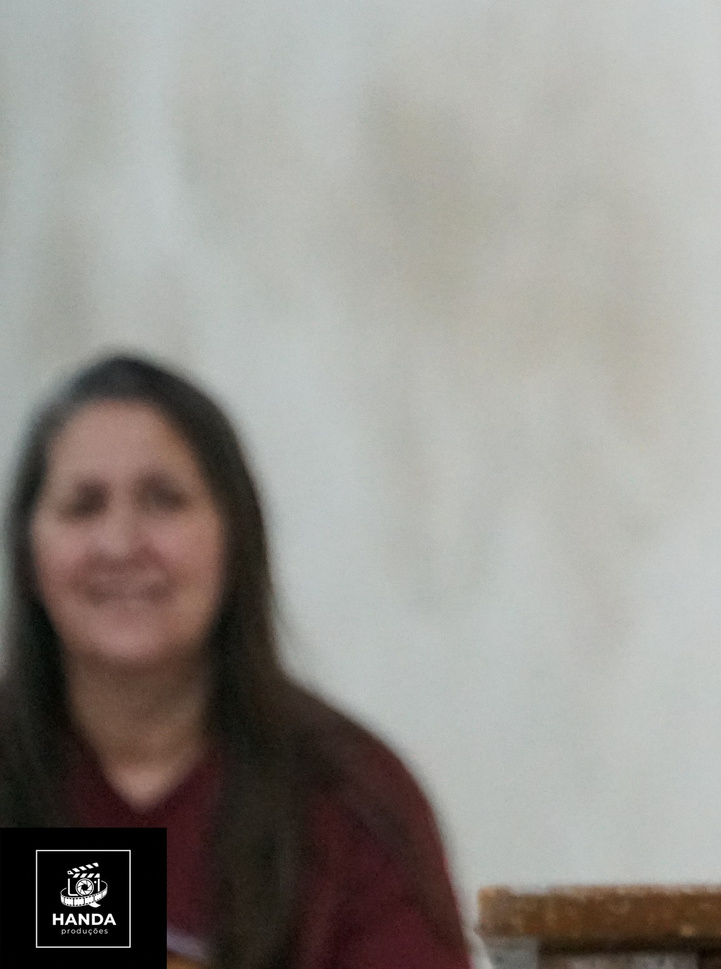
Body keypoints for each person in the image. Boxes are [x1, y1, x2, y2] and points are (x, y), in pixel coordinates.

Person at [0, 354, 471, 969]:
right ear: (28, 551)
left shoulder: (351, 798)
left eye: (163, 500)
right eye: (83, 506)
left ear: (235, 538)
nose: (119, 543)